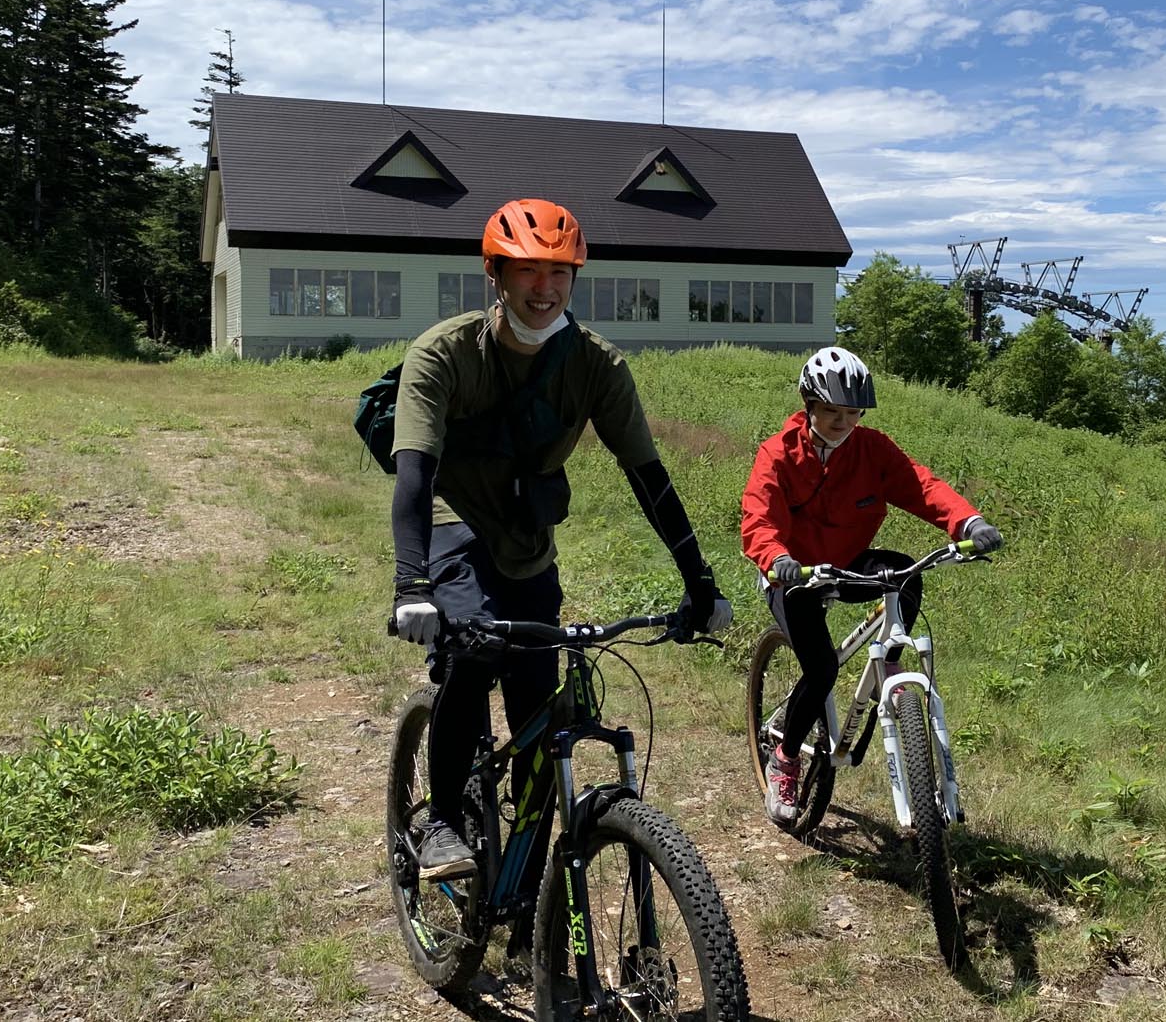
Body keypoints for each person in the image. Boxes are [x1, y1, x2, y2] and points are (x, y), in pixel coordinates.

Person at [390, 197, 733, 881]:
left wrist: (700, 582)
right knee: (471, 645)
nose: (543, 288)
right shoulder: (444, 354)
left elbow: (651, 480)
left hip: (528, 541)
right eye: (526, 270)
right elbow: (414, 474)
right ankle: (445, 823)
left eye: (558, 271)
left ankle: (525, 886)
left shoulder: (596, 366)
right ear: (495, 273)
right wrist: (412, 584)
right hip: (453, 522)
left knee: (537, 711)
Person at [739, 347, 1002, 825]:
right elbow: (759, 519)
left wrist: (968, 522)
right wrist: (778, 558)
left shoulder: (872, 450)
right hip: (792, 573)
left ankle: (891, 665)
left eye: (853, 413)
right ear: (810, 406)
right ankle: (787, 758)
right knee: (819, 670)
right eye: (833, 412)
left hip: (847, 562)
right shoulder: (777, 455)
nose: (843, 422)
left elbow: (921, 486)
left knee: (905, 571)